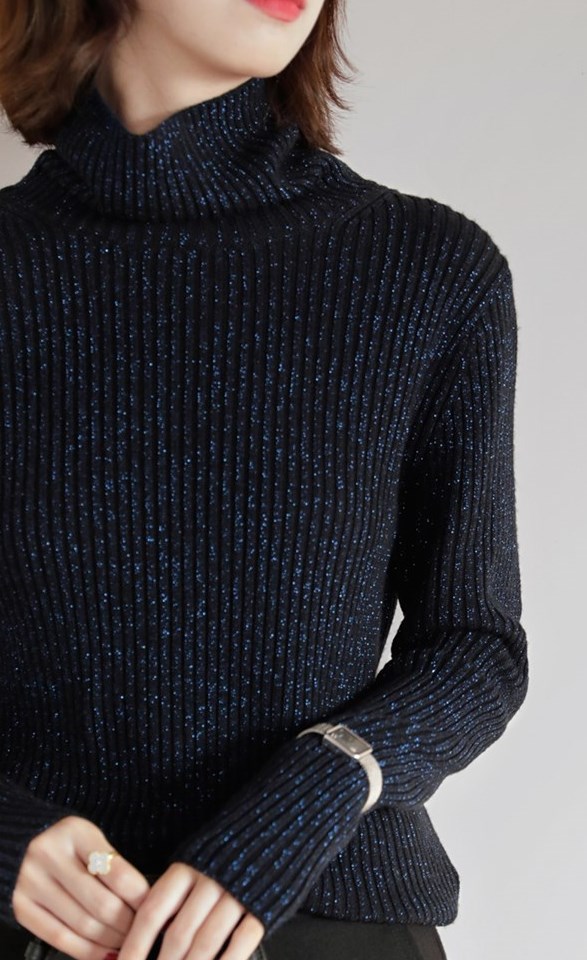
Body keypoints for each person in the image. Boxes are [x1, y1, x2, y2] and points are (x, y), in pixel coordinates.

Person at [0, 0, 530, 958]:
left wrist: (319, 788)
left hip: (332, 920)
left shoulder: (428, 271)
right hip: (40, 930)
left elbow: (474, 644)